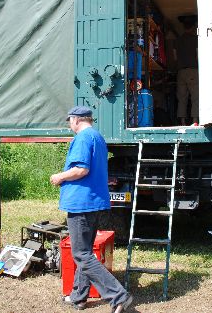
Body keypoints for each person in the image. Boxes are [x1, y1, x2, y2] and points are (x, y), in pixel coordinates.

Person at [50, 106, 133, 313]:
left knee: (81, 254)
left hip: (82, 202)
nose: (69, 125)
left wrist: (60, 176)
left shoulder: (83, 138)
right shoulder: (97, 137)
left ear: (76, 120)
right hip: (94, 202)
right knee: (84, 252)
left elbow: (81, 169)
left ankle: (118, 295)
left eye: (69, 120)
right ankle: (79, 296)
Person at [174, 15, 199, 125]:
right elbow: (198, 56)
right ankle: (195, 121)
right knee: (195, 97)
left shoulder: (177, 40)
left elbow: (175, 57)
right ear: (193, 27)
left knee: (182, 98)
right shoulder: (196, 39)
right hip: (193, 70)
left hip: (181, 72)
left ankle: (183, 122)